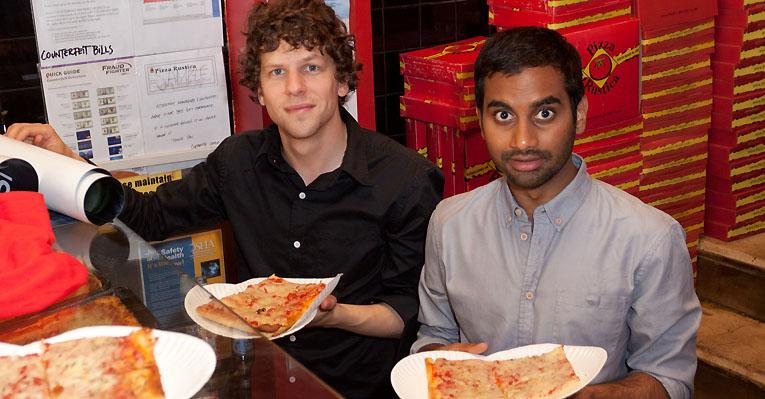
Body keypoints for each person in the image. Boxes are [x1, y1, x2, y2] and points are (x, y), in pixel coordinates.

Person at [6, 0, 443, 397]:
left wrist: (333, 314)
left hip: (357, 388)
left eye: (311, 67)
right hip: (263, 379)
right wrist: (68, 161)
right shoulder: (237, 160)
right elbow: (150, 216)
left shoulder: (405, 179)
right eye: (277, 72)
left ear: (343, 80)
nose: (294, 87)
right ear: (260, 91)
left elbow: (403, 313)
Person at [412, 27, 701, 399]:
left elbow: (669, 379)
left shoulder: (649, 239)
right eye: (502, 115)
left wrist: (597, 396)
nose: (522, 141)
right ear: (480, 121)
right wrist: (437, 359)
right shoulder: (449, 224)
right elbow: (433, 338)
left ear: (579, 114)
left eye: (544, 113)